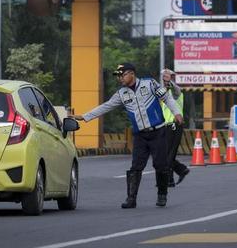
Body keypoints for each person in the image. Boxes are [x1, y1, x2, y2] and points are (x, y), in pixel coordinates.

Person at [73, 63, 183, 208]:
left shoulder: (149, 84)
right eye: (118, 76)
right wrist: (85, 117)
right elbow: (106, 106)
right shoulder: (121, 94)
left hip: (158, 132)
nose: (120, 78)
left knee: (160, 165)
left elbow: (167, 98)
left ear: (131, 73)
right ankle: (131, 199)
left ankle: (162, 195)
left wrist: (176, 112)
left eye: (122, 75)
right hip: (139, 136)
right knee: (136, 167)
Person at [160, 68, 189, 187]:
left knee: (169, 154)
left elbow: (176, 89)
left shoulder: (177, 93)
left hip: (174, 125)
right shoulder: (163, 94)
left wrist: (169, 82)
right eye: (163, 78)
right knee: (166, 154)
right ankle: (174, 176)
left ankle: (177, 173)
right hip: (165, 126)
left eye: (167, 77)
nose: (164, 80)